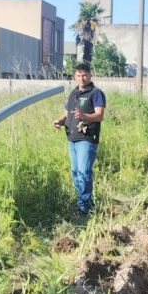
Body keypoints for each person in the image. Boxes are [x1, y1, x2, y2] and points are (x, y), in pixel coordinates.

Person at [52, 63, 106, 215]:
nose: (81, 78)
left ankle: (85, 208)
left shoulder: (96, 93)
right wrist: (60, 121)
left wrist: (84, 116)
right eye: (78, 75)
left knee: (84, 172)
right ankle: (82, 203)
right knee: (75, 172)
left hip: (87, 138)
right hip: (72, 137)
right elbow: (66, 113)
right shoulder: (73, 93)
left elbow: (99, 115)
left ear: (89, 76)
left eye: (84, 75)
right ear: (74, 77)